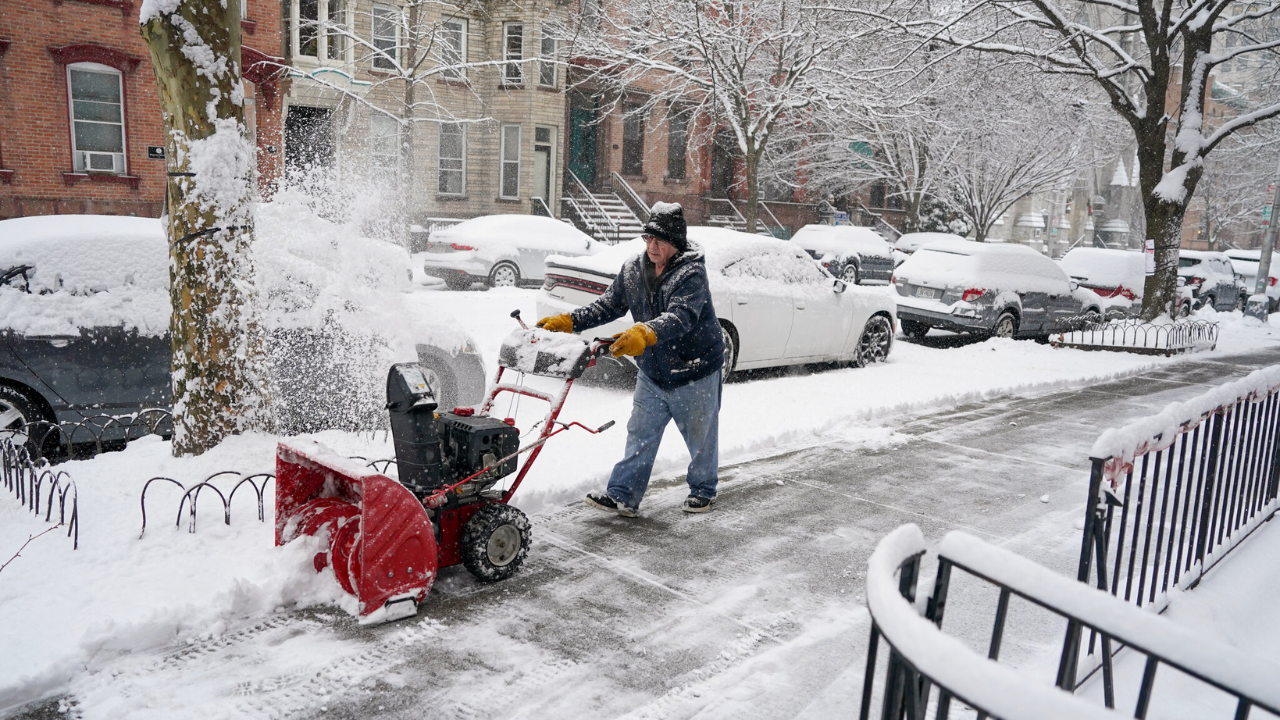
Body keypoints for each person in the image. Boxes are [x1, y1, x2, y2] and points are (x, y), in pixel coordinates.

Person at [537, 202, 724, 516]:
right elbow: (607, 306)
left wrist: (646, 333)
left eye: (659, 241)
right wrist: (570, 320)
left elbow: (681, 317)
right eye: (648, 238)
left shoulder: (691, 274)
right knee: (640, 432)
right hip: (653, 371)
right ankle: (623, 495)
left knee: (701, 436)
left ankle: (704, 490)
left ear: (675, 243)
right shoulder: (634, 270)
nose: (651, 246)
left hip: (695, 369)